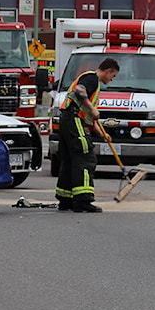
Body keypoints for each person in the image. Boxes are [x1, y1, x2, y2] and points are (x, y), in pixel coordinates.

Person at [55, 58, 120, 213]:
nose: (112, 79)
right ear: (108, 70)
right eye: (113, 76)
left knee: (70, 159)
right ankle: (83, 199)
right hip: (73, 119)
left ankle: (66, 199)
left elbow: (89, 117)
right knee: (85, 157)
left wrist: (102, 133)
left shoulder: (93, 82)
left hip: (69, 119)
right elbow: (80, 91)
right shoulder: (92, 78)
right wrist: (92, 108)